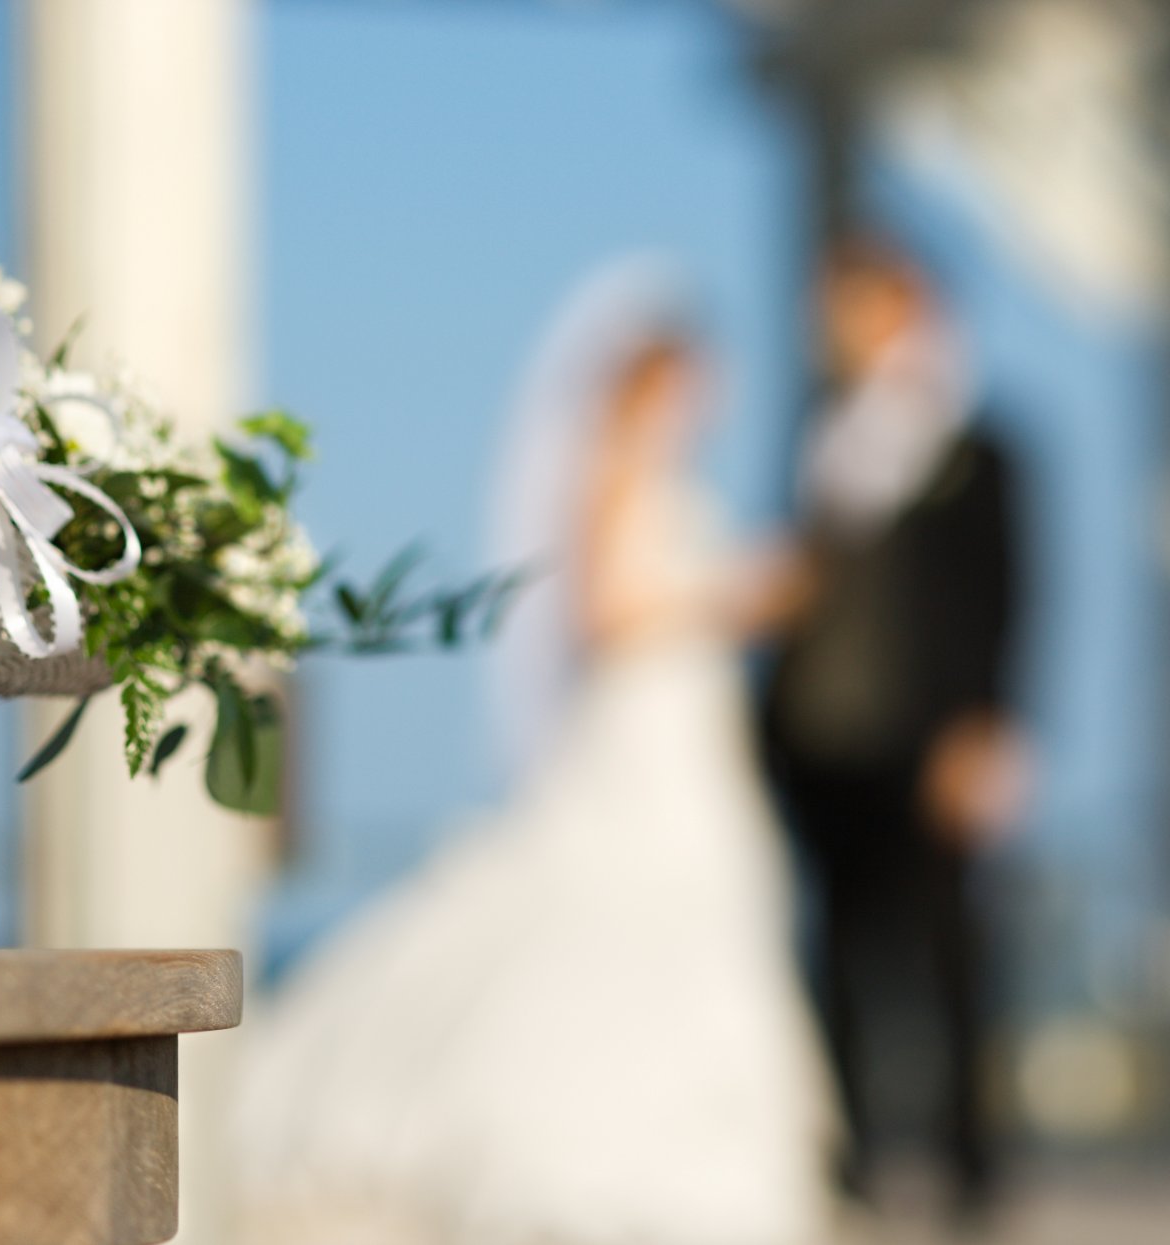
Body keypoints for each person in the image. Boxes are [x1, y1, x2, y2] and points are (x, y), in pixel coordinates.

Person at [235, 261, 835, 1245]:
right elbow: (602, 613)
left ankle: (701, 1153)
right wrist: (733, 598)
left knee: (687, 929)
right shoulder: (610, 475)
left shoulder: (676, 486)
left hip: (687, 739)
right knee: (607, 915)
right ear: (654, 384)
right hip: (638, 730)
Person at [760, 234, 1027, 1220]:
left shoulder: (979, 450)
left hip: (932, 740)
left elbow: (1008, 597)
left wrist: (987, 727)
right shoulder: (821, 439)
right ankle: (856, 1153)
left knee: (952, 951)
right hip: (824, 741)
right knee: (842, 949)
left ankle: (973, 1163)